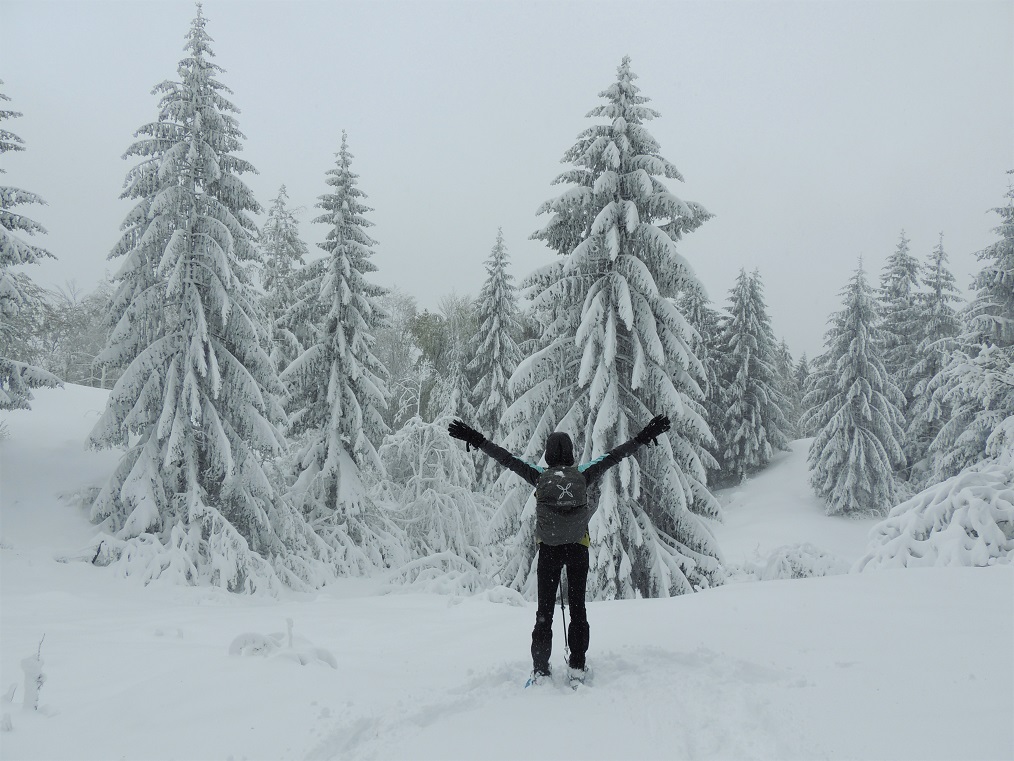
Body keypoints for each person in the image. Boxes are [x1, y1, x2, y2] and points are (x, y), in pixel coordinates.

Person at [448, 414, 671, 684]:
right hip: (578, 549)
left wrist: (475, 437)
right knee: (578, 610)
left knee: (544, 613)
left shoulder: (540, 476)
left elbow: (505, 458)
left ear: (548, 455)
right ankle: (577, 667)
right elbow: (614, 456)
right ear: (571, 454)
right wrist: (642, 437)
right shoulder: (582, 474)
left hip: (550, 552)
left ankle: (541, 670)